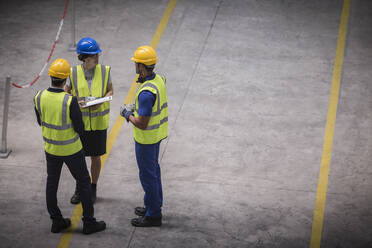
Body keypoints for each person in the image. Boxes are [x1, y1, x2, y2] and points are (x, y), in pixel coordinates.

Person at [34, 58, 106, 234]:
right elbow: (80, 129)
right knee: (83, 183)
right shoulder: (69, 101)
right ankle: (89, 222)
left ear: (51, 76)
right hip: (72, 150)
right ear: (66, 79)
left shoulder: (39, 96)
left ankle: (56, 221)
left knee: (52, 184)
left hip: (51, 149)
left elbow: (40, 121)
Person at [120, 45, 168, 227]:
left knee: (148, 176)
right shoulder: (159, 80)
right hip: (156, 136)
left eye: (136, 64)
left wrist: (127, 114)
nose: (135, 66)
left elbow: (142, 123)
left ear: (142, 67)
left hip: (146, 139)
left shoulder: (147, 93)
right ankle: (153, 204)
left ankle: (154, 215)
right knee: (154, 172)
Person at [65, 37, 114, 204]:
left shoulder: (105, 71)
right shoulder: (73, 72)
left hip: (99, 124)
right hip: (81, 124)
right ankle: (80, 188)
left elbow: (110, 91)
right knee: (79, 158)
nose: (98, 58)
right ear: (85, 58)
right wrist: (75, 102)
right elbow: (66, 93)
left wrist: (101, 101)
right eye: (95, 56)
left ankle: (92, 187)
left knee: (95, 157)